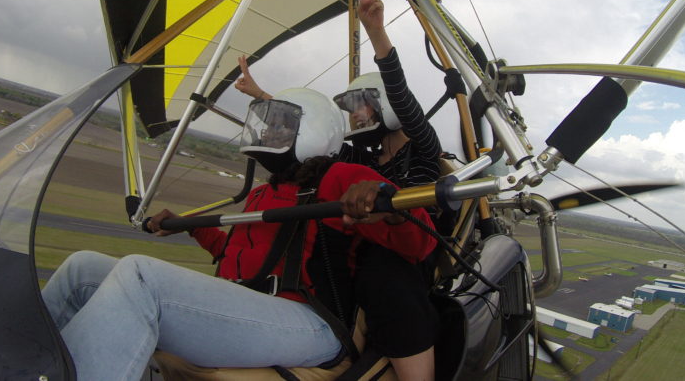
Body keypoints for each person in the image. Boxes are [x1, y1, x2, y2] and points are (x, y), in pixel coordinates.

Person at [42, 88, 436, 381]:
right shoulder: (265, 192)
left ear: (314, 129)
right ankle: (21, 364)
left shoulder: (341, 178)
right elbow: (239, 249)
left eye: (283, 125)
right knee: (82, 268)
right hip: (252, 305)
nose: (270, 131)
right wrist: (190, 226)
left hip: (310, 324)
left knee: (139, 277)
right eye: (269, 124)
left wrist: (386, 202)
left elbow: (421, 241)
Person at [234, 0, 443, 380]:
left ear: (386, 104)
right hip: (364, 237)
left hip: (411, 247)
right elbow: (312, 131)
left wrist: (376, 31)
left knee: (385, 273)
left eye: (364, 104)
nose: (357, 114)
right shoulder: (359, 156)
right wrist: (264, 99)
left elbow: (400, 94)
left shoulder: (424, 148)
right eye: (353, 107)